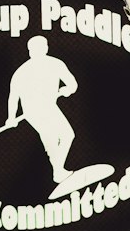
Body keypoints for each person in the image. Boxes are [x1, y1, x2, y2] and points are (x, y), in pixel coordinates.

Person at [6, 36, 77, 184]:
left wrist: (67, 90)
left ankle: (57, 170)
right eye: (34, 50)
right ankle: (58, 172)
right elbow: (13, 97)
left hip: (49, 107)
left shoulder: (56, 64)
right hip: (33, 111)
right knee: (55, 137)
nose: (37, 52)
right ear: (30, 52)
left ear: (45, 48)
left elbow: (72, 84)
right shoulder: (21, 72)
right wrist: (11, 117)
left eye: (40, 48)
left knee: (66, 135)